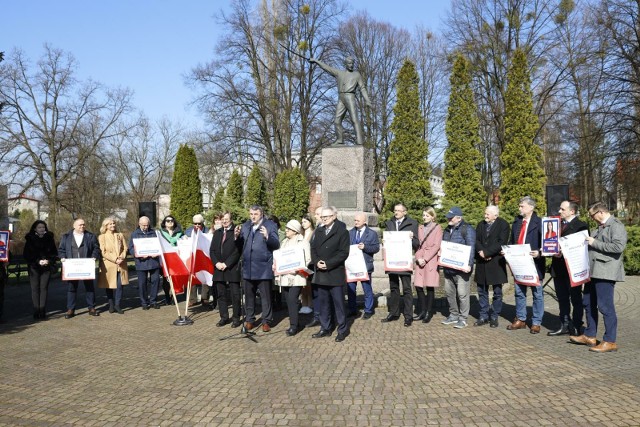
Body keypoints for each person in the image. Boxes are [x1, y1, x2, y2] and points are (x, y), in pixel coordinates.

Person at [570, 202, 627, 353]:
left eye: (592, 215)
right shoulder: (599, 228)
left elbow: (618, 247)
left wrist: (594, 242)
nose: (591, 218)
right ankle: (590, 335)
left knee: (605, 306)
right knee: (588, 303)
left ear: (600, 212)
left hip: (606, 272)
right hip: (593, 272)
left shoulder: (616, 226)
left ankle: (610, 341)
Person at [234, 205, 280, 332]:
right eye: (251, 214)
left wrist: (267, 236)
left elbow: (276, 244)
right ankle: (249, 319)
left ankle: (266, 321)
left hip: (263, 267)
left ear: (261, 214)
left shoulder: (270, 225)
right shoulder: (246, 226)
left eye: (255, 214)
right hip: (248, 267)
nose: (253, 216)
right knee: (249, 296)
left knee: (265, 296)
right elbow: (240, 246)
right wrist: (237, 237)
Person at [309, 56, 371, 145]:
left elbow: (362, 88)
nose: (351, 65)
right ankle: (340, 139)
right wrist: (315, 61)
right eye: (349, 63)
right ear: (345, 64)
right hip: (341, 98)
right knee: (337, 121)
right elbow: (327, 68)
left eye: (352, 63)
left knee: (354, 119)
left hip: (350, 96)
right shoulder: (339, 73)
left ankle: (359, 141)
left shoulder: (356, 74)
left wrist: (367, 100)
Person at [310, 207, 351, 341]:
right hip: (321, 273)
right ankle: (325, 328)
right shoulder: (319, 230)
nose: (324, 219)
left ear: (334, 216)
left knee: (338, 304)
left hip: (334, 273)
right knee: (323, 303)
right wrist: (317, 262)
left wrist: (328, 264)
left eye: (327, 216)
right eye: (322, 217)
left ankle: (342, 330)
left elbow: (343, 253)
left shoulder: (342, 231)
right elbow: (313, 248)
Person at [548, 201, 588, 336]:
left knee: (576, 299)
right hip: (558, 268)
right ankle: (564, 324)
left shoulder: (581, 226)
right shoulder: (555, 225)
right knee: (562, 298)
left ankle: (577, 325)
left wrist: (562, 252)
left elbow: (580, 247)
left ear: (572, 211)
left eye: (562, 209)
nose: (559, 211)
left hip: (572, 269)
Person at [506, 196, 545, 334]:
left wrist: (539, 253)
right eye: (519, 205)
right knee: (519, 293)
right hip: (519, 264)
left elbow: (546, 244)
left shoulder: (540, 223)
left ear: (531, 207)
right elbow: (512, 241)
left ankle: (536, 322)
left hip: (535, 264)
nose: (519, 208)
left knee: (537, 294)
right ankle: (521, 319)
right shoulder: (517, 222)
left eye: (522, 206)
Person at [382, 204, 419, 326]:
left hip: (404, 261)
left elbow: (416, 244)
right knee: (394, 288)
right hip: (392, 261)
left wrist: (412, 238)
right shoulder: (390, 223)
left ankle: (408, 316)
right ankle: (394, 312)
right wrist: (384, 241)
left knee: (407, 289)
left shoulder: (412, 223)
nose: (396, 212)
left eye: (399, 210)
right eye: (395, 210)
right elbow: (387, 239)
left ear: (405, 212)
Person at [474, 205, 510, 328]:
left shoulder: (503, 224)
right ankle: (483, 315)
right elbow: (476, 240)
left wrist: (487, 253)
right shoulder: (480, 224)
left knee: (497, 292)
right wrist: (481, 252)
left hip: (495, 262)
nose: (485, 216)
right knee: (482, 291)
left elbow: (502, 242)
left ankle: (494, 316)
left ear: (495, 215)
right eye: (485, 213)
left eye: (487, 214)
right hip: (482, 262)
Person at [440, 206, 476, 329]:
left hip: (461, 270)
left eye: (451, 217)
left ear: (458, 218)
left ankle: (463, 318)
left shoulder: (468, 229)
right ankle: (453, 315)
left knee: (462, 295)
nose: (448, 219)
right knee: (450, 294)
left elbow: (471, 248)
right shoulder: (447, 229)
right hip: (448, 268)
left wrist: (469, 265)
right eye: (448, 217)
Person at [58, 218, 101, 319]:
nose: (82, 227)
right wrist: (62, 257)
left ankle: (91, 308)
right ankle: (70, 309)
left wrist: (94, 256)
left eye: (83, 225)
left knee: (89, 287)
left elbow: (96, 248)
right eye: (80, 225)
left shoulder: (90, 236)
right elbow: (61, 250)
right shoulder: (66, 237)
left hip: (86, 266)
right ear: (74, 226)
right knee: (71, 288)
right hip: (72, 267)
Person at [275, 220, 311, 336]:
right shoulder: (284, 242)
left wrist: (298, 267)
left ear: (295, 231)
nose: (286, 230)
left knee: (292, 299)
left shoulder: (303, 242)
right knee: (289, 300)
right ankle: (294, 322)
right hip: (285, 276)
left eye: (288, 229)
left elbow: (308, 258)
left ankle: (293, 326)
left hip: (297, 276)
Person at [210, 212, 242, 328]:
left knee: (235, 294)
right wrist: (217, 263)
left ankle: (236, 318)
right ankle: (224, 317)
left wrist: (227, 264)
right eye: (222, 219)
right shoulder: (217, 233)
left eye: (226, 219)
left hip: (232, 267)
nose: (224, 221)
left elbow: (238, 251)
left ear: (231, 220)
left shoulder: (236, 232)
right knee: (221, 294)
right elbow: (212, 250)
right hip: (218, 267)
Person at [347, 212, 380, 319]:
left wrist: (365, 247)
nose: (355, 222)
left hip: (365, 266)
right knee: (351, 290)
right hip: (351, 266)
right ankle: (352, 310)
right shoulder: (350, 233)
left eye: (358, 220)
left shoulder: (372, 234)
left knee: (367, 289)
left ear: (364, 221)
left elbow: (376, 248)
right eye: (355, 220)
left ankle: (368, 310)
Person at [413, 207, 443, 324]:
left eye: (426, 215)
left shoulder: (437, 228)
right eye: (423, 215)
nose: (424, 217)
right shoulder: (420, 228)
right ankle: (422, 310)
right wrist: (418, 258)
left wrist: (425, 259)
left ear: (432, 216)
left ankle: (428, 312)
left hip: (430, 260)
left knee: (430, 286)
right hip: (421, 258)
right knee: (418, 286)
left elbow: (436, 246)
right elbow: (419, 245)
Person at [23, 220, 58, 320]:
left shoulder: (49, 239)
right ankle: (36, 310)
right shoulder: (30, 239)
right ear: (35, 229)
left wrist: (49, 261)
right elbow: (27, 255)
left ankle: (42, 310)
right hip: (34, 267)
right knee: (35, 289)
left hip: (46, 267)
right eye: (39, 227)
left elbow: (54, 253)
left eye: (43, 227)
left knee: (44, 288)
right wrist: (38, 261)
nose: (42, 229)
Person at [129, 216, 162, 310]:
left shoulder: (154, 233)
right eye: (143, 225)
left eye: (147, 225)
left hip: (153, 261)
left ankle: (153, 301)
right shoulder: (135, 234)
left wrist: (157, 253)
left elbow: (159, 245)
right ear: (139, 224)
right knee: (142, 283)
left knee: (155, 281)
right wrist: (137, 254)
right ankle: (144, 302)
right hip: (141, 262)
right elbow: (130, 248)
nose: (146, 227)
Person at [97, 217, 129, 314]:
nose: (113, 225)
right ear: (106, 226)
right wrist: (115, 259)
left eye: (114, 223)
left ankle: (117, 304)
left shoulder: (120, 235)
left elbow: (125, 248)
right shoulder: (101, 237)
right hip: (109, 264)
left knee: (120, 285)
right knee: (109, 285)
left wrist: (121, 257)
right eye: (110, 224)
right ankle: (111, 304)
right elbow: (103, 251)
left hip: (121, 264)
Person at [185, 214, 213, 309]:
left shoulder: (207, 231)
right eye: (195, 223)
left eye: (199, 223)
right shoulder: (189, 231)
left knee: (205, 276)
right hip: (193, 257)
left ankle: (205, 298)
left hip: (204, 257)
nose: (197, 225)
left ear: (202, 223)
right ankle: (192, 299)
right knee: (192, 277)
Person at [159, 215, 183, 304]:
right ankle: (167, 296)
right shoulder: (160, 233)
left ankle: (174, 296)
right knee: (166, 278)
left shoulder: (179, 233)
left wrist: (184, 238)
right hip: (165, 258)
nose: (170, 222)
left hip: (176, 258)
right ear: (164, 223)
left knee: (175, 278)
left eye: (171, 220)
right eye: (167, 221)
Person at [298, 214, 315, 315]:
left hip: (309, 263)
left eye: (305, 221)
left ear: (310, 222)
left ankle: (310, 305)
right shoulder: (301, 234)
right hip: (301, 262)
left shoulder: (313, 233)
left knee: (308, 285)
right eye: (302, 222)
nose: (303, 224)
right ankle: (303, 304)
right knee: (302, 285)